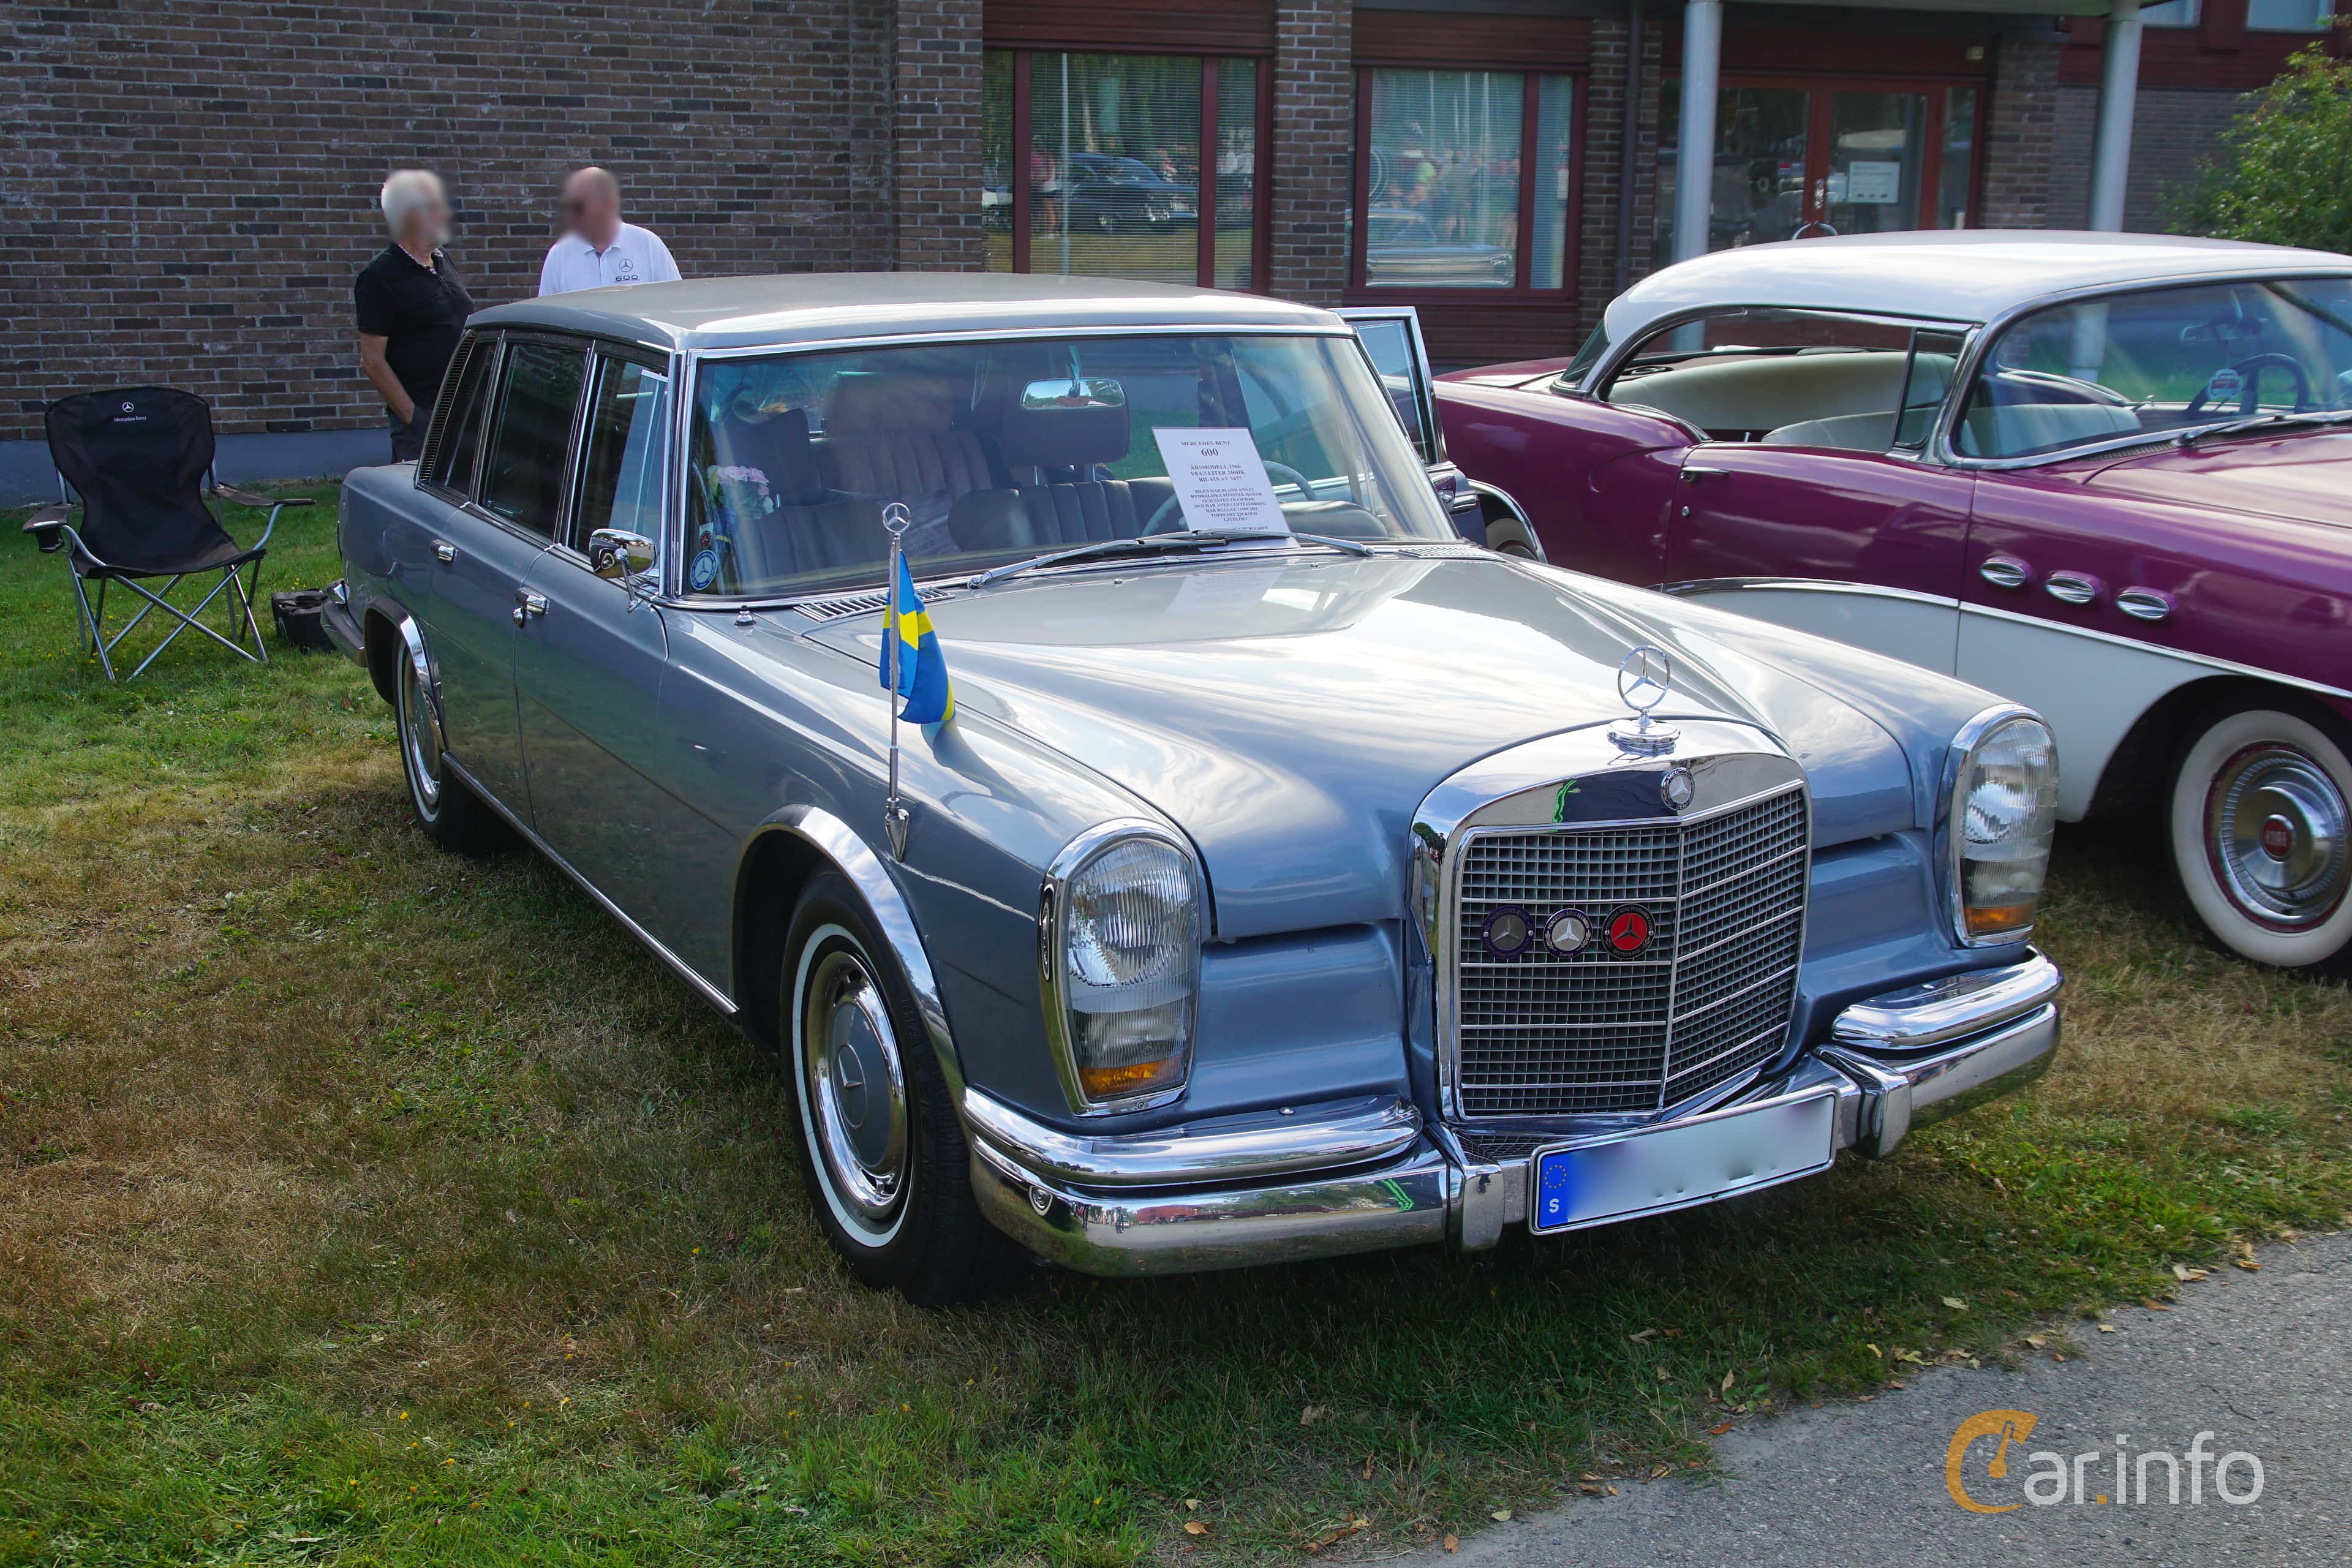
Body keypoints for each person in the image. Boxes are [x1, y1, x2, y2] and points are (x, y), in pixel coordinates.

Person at [355, 169, 473, 464]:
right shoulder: (379, 276)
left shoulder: (442, 260)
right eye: (436, 206)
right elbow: (372, 360)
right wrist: (415, 419)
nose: (446, 213)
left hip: (465, 412)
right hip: (423, 423)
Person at [537, 167, 680, 295]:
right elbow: (544, 317)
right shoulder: (559, 255)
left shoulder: (648, 245)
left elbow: (675, 302)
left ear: (609, 202)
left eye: (580, 205)